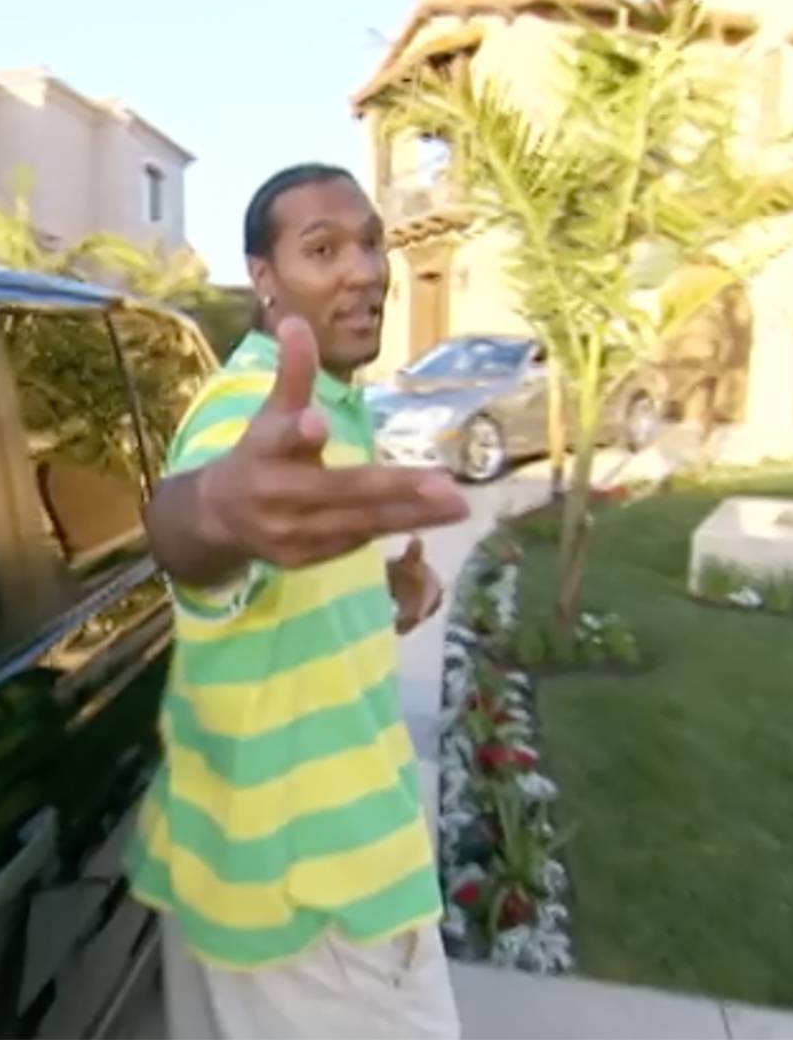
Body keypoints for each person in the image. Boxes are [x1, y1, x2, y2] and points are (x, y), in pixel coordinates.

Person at [128, 163, 471, 1038]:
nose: (364, 271)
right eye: (323, 250)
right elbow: (193, 533)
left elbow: (278, 588)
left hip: (248, 866)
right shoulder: (251, 409)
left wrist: (383, 593)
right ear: (264, 277)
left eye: (371, 244)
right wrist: (211, 509)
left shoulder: (334, 405)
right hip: (323, 900)